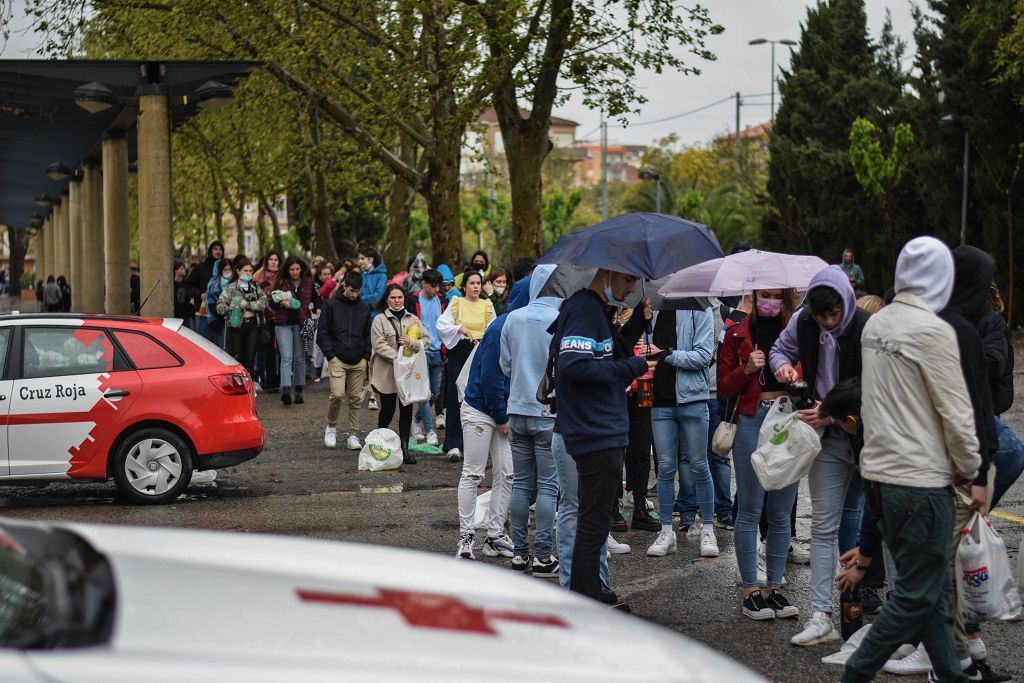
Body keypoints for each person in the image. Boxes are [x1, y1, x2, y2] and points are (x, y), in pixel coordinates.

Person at [837, 236, 982, 683]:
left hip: (881, 479)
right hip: (922, 481)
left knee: (935, 594)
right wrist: (973, 471)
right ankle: (855, 673)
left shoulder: (877, 326)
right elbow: (956, 413)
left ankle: (953, 676)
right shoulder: (934, 331)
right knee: (916, 597)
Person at [769, 265, 870, 647]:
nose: (829, 322)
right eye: (822, 314)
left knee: (880, 526)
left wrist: (832, 411)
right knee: (823, 526)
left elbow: (877, 384)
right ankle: (821, 614)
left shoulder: (866, 326)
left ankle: (893, 618)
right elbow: (780, 348)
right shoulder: (805, 321)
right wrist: (781, 365)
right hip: (823, 438)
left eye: (835, 313)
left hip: (865, 435)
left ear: (847, 301)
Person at [553, 268, 653, 602]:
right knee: (593, 524)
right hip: (594, 431)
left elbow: (614, 349)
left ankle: (591, 591)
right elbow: (573, 366)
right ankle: (586, 599)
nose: (631, 289)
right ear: (608, 275)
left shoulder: (595, 310)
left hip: (602, 430)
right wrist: (632, 368)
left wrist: (639, 319)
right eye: (628, 281)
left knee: (594, 523)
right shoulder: (584, 308)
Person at [934, 246, 1006, 682]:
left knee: (955, 564)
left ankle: (960, 658)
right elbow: (975, 407)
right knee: (942, 568)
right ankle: (947, 662)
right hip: (956, 463)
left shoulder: (955, 324)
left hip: (958, 459)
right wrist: (979, 474)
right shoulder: (954, 329)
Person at [718, 288, 801, 621]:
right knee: (751, 507)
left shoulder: (797, 330)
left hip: (787, 417)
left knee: (782, 510)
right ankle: (751, 590)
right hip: (751, 418)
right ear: (754, 294)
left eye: (778, 296)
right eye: (765, 295)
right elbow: (723, 386)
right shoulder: (735, 332)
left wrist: (796, 377)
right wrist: (747, 370)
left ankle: (776, 588)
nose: (771, 302)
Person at [455, 283, 525, 562]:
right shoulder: (500, 329)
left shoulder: (529, 326)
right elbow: (491, 380)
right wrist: (501, 417)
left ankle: (494, 536)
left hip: (504, 409)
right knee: (473, 473)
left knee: (507, 472)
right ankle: (466, 538)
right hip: (480, 407)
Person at [500, 265, 561, 574]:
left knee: (522, 484)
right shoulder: (559, 319)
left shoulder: (514, 317)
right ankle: (544, 556)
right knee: (549, 487)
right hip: (548, 413)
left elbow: (506, 364)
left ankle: (520, 554)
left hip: (517, 409)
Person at [646, 302, 719, 560]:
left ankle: (708, 529)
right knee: (665, 468)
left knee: (700, 465)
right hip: (659, 401)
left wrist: (665, 354)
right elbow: (643, 353)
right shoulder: (652, 309)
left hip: (693, 399)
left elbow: (703, 356)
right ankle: (666, 531)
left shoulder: (700, 308)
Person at [436, 271, 495, 461]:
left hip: (480, 352)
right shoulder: (456, 303)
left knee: (478, 396)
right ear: (464, 286)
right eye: (472, 283)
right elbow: (442, 324)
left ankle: (476, 444)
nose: (476, 287)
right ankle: (453, 443)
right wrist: (458, 328)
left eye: (479, 283)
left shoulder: (487, 305)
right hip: (459, 352)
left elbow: (493, 328)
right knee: (455, 397)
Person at [369, 284, 430, 465]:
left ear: (404, 299)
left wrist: (412, 342)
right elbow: (379, 345)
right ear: (387, 299)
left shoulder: (413, 319)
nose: (397, 301)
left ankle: (404, 448)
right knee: (387, 410)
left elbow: (426, 340)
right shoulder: (379, 320)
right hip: (387, 372)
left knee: (406, 411)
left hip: (408, 375)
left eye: (400, 297)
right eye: (393, 297)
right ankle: (379, 443)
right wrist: (399, 359)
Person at [318, 270, 372, 451]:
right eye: (351, 290)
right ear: (343, 287)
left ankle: (353, 434)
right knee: (338, 394)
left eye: (357, 291)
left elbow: (367, 335)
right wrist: (331, 356)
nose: (354, 294)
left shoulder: (364, 308)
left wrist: (365, 356)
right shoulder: (331, 304)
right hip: (337, 358)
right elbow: (322, 333)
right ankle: (331, 427)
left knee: (356, 399)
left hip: (358, 360)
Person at [981, 282, 1023, 510]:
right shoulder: (991, 321)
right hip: (990, 404)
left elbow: (994, 364)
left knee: (1008, 450)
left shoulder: (990, 322)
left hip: (987, 404)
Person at [406, 268, 446, 447]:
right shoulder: (413, 300)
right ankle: (430, 430)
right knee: (424, 393)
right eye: (433, 286)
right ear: (424, 284)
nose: (437, 289)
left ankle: (416, 421)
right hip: (420, 350)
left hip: (438, 351)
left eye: (438, 286)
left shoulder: (442, 300)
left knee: (435, 393)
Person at [269, 256, 314, 406]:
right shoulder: (281, 282)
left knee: (300, 358)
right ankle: (286, 390)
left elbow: (317, 298)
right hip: (283, 323)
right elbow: (271, 304)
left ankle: (299, 390)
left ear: (301, 269)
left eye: (297, 269)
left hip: (301, 324)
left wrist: (319, 308)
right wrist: (281, 303)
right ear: (287, 270)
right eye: (292, 269)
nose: (295, 272)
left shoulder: (308, 282)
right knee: (286, 357)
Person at [216, 257, 267, 378]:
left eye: (250, 271)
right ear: (238, 271)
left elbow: (264, 302)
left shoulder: (255, 287)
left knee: (250, 358)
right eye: (245, 271)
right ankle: (238, 385)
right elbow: (219, 307)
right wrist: (229, 307)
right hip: (236, 326)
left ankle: (250, 386)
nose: (248, 273)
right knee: (237, 358)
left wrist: (248, 304)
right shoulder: (231, 288)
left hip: (253, 325)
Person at [254, 250, 282, 393]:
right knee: (268, 351)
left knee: (283, 351)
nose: (273, 262)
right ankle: (269, 381)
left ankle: (282, 380)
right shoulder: (258, 277)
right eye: (271, 259)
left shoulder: (283, 277)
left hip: (282, 317)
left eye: (276, 259)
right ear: (266, 261)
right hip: (265, 318)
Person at [185, 240, 224, 336]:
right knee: (203, 342)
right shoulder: (200, 268)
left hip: (221, 314)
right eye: (215, 249)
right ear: (210, 251)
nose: (218, 252)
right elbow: (189, 285)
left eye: (220, 249)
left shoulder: (225, 268)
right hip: (203, 312)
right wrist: (200, 294)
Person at [204, 259, 232, 348]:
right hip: (218, 321)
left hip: (234, 321)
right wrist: (222, 314)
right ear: (220, 270)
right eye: (225, 269)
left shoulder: (236, 282)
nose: (227, 272)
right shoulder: (213, 283)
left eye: (229, 269)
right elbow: (210, 302)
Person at [357, 247, 387, 312]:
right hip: (359, 313)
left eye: (362, 258)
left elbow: (378, 297)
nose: (359, 262)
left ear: (371, 259)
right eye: (359, 259)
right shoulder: (361, 275)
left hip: (374, 315)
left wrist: (359, 301)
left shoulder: (382, 276)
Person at [173, 261, 194, 328]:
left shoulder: (187, 284)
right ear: (176, 270)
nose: (184, 270)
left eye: (184, 268)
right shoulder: (172, 285)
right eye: (181, 268)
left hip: (186, 316)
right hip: (175, 315)